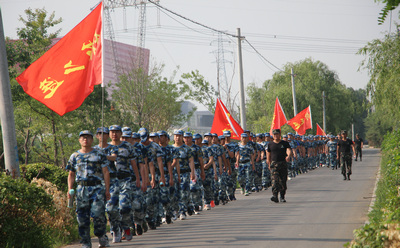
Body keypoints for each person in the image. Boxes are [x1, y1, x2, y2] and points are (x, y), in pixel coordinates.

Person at [66, 130, 111, 248]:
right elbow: (71, 174)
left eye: (88, 137)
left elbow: (106, 172)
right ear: (79, 140)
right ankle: (85, 242)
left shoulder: (99, 154)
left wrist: (107, 189)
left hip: (97, 188)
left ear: (92, 140)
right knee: (82, 218)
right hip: (82, 189)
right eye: (83, 137)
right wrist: (69, 189)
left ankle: (101, 236)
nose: (85, 139)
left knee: (98, 215)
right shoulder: (74, 156)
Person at [266, 129, 292, 203]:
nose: (276, 136)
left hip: (282, 164)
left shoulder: (284, 143)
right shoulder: (270, 144)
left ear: (279, 135)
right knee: (275, 181)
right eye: (274, 134)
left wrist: (288, 156)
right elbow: (268, 154)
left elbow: (288, 150)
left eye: (277, 134)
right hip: (274, 164)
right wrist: (268, 163)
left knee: (283, 181)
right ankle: (275, 195)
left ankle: (282, 196)